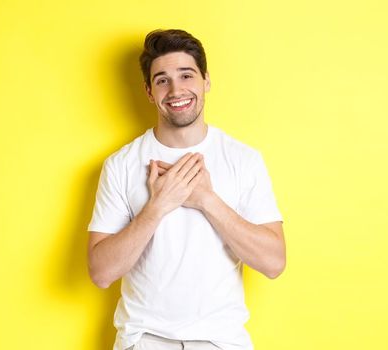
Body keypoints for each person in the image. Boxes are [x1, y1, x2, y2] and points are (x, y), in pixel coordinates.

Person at [87, 29, 286, 350]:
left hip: (222, 341)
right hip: (145, 340)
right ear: (149, 91)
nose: (176, 89)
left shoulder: (244, 159)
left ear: (206, 80)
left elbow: (274, 262)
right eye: (162, 79)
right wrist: (157, 206)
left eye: (186, 75)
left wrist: (206, 199)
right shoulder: (121, 165)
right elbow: (101, 273)